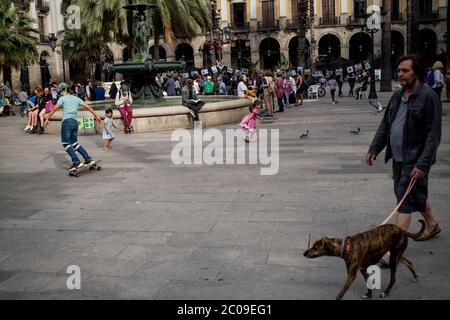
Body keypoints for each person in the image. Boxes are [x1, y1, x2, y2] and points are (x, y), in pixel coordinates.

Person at [366, 56, 442, 265]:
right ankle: (432, 223)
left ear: (416, 73)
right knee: (411, 194)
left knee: (404, 203)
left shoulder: (428, 97)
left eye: (405, 71)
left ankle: (391, 252)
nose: (400, 74)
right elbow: (385, 125)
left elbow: (433, 135)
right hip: (398, 158)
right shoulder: (398, 96)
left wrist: (423, 164)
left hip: (415, 160)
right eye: (399, 70)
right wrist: (374, 148)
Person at [45, 83, 101, 172]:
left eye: (61, 92)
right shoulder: (77, 98)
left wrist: (47, 118)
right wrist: (96, 116)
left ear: (64, 91)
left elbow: (54, 109)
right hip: (75, 122)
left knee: (65, 143)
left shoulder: (62, 98)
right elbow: (88, 107)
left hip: (67, 122)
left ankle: (76, 161)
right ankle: (88, 159)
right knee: (74, 143)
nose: (60, 94)